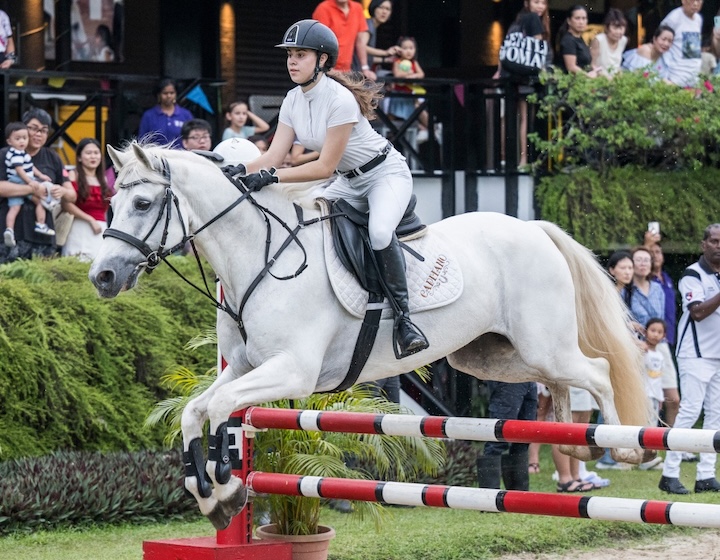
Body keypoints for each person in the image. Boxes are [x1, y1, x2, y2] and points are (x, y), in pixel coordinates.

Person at [236, 19, 428, 359]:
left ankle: (404, 320)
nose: (292, 62)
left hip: (384, 175)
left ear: (322, 61)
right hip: (348, 182)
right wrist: (234, 172)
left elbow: (323, 166)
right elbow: (273, 155)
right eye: (289, 56)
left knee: (381, 232)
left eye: (301, 55)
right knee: (307, 222)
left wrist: (274, 177)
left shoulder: (340, 100)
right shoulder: (293, 99)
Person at [659, 224, 720, 495]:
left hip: (717, 355)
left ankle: (706, 474)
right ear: (703, 244)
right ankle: (669, 473)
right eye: (715, 241)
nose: (719, 246)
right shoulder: (691, 275)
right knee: (689, 412)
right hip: (695, 355)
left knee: (716, 416)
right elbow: (697, 313)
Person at [0, 108, 77, 262]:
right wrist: (34, 189)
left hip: (43, 238)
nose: (38, 134)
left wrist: (60, 190)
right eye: (33, 128)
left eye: (43, 130)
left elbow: (72, 195)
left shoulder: (53, 157)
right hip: (10, 235)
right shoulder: (5, 154)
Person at [493, 0, 550, 167]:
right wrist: (543, 71)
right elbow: (537, 51)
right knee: (525, 118)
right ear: (527, 3)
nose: (540, 6)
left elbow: (505, 49)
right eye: (536, 2)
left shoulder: (517, 21)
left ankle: (504, 158)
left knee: (510, 118)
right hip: (525, 78)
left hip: (510, 75)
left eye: (543, 3)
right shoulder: (533, 19)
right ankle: (524, 159)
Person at [643, 235, 680, 428]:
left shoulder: (666, 279)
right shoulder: (645, 279)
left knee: (673, 399)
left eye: (658, 251)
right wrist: (647, 244)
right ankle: (650, 439)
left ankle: (671, 439)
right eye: (651, 252)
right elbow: (638, 264)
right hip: (648, 343)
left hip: (665, 341)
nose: (655, 255)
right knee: (649, 397)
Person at [476, 381, 537, 491]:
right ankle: (488, 499)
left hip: (528, 376)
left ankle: (517, 497)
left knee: (524, 437)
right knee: (497, 439)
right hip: (509, 377)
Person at [3, 122, 57, 247]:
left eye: (24, 138)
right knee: (39, 199)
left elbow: (31, 167)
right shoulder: (15, 153)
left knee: (16, 207)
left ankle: (10, 230)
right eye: (17, 139)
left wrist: (41, 176)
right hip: (18, 180)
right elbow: (20, 170)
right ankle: (42, 218)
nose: (22, 141)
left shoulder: (23, 153)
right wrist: (30, 182)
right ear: (9, 141)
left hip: (24, 180)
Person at [61, 138, 113, 261]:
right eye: (88, 153)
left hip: (101, 229)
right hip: (79, 227)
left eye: (96, 153)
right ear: (79, 157)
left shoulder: (104, 179)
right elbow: (66, 204)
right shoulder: (74, 175)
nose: (93, 156)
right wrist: (90, 220)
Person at [312, 0, 376, 80]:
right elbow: (319, 41)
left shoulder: (357, 8)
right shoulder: (323, 8)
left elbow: (360, 42)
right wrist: (326, 68)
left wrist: (365, 68)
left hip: (346, 72)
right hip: (326, 71)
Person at [387, 37, 428, 133]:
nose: (408, 51)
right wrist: (407, 74)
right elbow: (397, 74)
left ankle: (426, 129)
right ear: (399, 50)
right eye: (405, 48)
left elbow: (421, 74)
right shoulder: (397, 62)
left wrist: (414, 75)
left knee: (411, 115)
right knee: (392, 116)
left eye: (411, 48)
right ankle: (390, 135)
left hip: (409, 94)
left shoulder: (414, 62)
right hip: (398, 94)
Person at [138, 78, 194, 148]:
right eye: (165, 93)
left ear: (176, 94)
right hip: (155, 157)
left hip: (180, 157)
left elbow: (193, 138)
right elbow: (143, 141)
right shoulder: (149, 116)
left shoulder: (186, 115)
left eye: (172, 93)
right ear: (158, 95)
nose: (169, 96)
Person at [660, 0, 703, 87]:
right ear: (683, 1)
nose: (695, 4)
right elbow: (660, 42)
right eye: (692, 0)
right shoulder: (673, 18)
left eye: (698, 0)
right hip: (675, 77)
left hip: (693, 77)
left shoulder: (698, 19)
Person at [353, 0, 401, 76]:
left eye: (387, 9)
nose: (384, 12)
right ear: (374, 8)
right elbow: (361, 46)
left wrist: (386, 60)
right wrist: (386, 52)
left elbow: (368, 57)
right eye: (381, 7)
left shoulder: (372, 26)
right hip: (355, 72)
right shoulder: (368, 25)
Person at [556, 5, 600, 77]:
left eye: (584, 18)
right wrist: (587, 76)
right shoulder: (568, 40)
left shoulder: (580, 39)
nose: (581, 22)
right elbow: (571, 67)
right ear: (569, 21)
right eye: (577, 18)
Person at [590, 8, 628, 77]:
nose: (619, 32)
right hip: (599, 80)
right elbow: (593, 64)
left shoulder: (623, 40)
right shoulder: (599, 40)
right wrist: (604, 78)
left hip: (615, 81)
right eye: (615, 28)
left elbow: (617, 64)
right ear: (607, 28)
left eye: (621, 28)